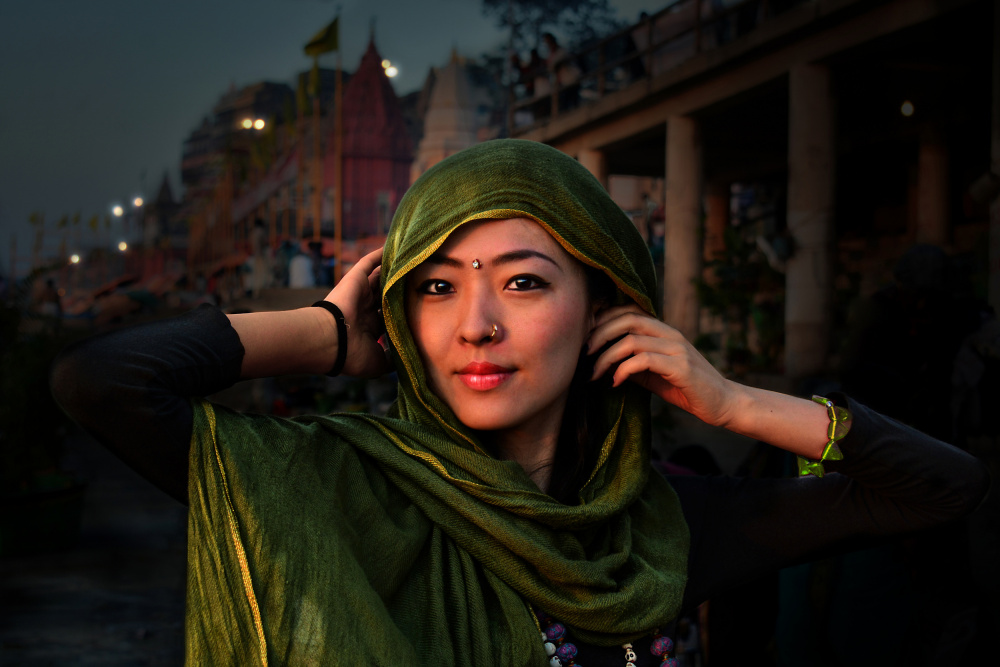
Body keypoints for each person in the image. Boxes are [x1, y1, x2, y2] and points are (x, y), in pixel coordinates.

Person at [51, 140, 989, 665]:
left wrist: (736, 402)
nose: (477, 324)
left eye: (526, 283)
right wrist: (329, 333)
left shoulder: (654, 535)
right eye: (437, 286)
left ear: (603, 310)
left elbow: (941, 488)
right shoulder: (338, 483)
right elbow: (101, 382)